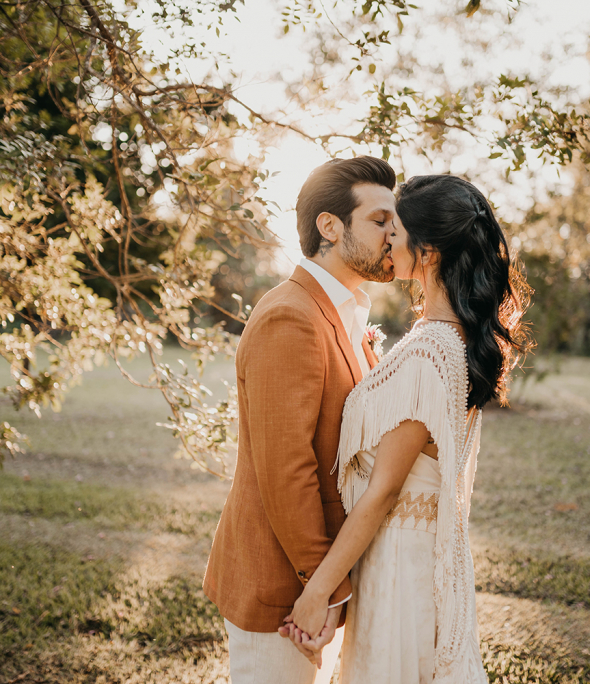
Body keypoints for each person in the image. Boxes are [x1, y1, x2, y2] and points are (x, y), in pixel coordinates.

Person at [284, 175, 531, 683]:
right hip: (401, 558)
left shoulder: (428, 354)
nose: (387, 241)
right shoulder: (446, 340)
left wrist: (317, 593)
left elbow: (382, 492)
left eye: (395, 230)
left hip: (401, 570)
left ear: (430, 250)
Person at [202, 156, 399, 684]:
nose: (393, 235)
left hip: (324, 578)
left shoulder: (345, 313)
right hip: (282, 586)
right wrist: (324, 586)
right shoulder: (291, 315)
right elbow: (286, 469)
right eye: (379, 221)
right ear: (330, 227)